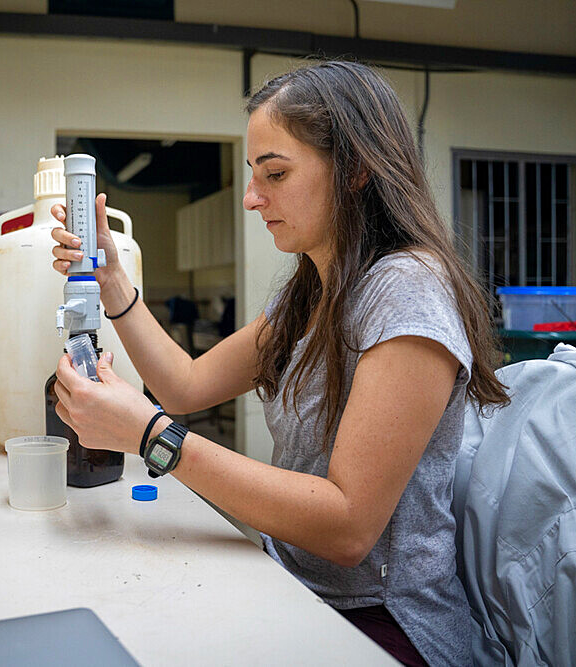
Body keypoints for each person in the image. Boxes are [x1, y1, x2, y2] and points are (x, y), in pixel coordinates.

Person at [49, 60, 508, 666]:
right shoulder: (313, 290)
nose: (250, 197)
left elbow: (348, 528)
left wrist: (149, 436)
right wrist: (114, 284)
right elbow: (187, 384)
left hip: (383, 626)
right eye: (253, 174)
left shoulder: (406, 288)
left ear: (358, 170)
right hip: (293, 584)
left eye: (276, 173)